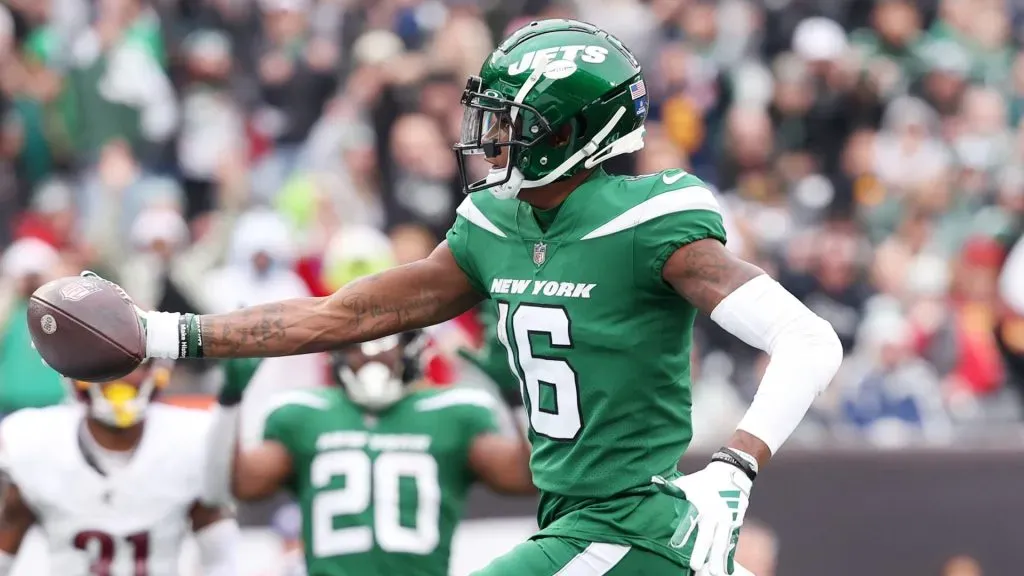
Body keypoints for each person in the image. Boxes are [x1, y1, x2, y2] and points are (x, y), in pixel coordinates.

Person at [82, 18, 842, 576]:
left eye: (516, 119)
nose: (493, 134)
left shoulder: (646, 223)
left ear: (576, 129)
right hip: (576, 521)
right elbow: (342, 315)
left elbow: (811, 340)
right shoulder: (491, 226)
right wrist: (167, 335)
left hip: (634, 523)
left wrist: (736, 468)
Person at [204, 330, 533, 576]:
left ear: (412, 349)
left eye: (386, 345)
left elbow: (529, 477)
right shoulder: (304, 413)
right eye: (359, 346)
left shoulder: (452, 412)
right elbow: (235, 486)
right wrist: (230, 401)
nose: (372, 357)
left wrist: (519, 396)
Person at [0, 360, 239, 575]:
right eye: (107, 365)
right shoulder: (34, 443)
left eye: (136, 364)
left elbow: (219, 559)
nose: (122, 377)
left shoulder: (190, 438)